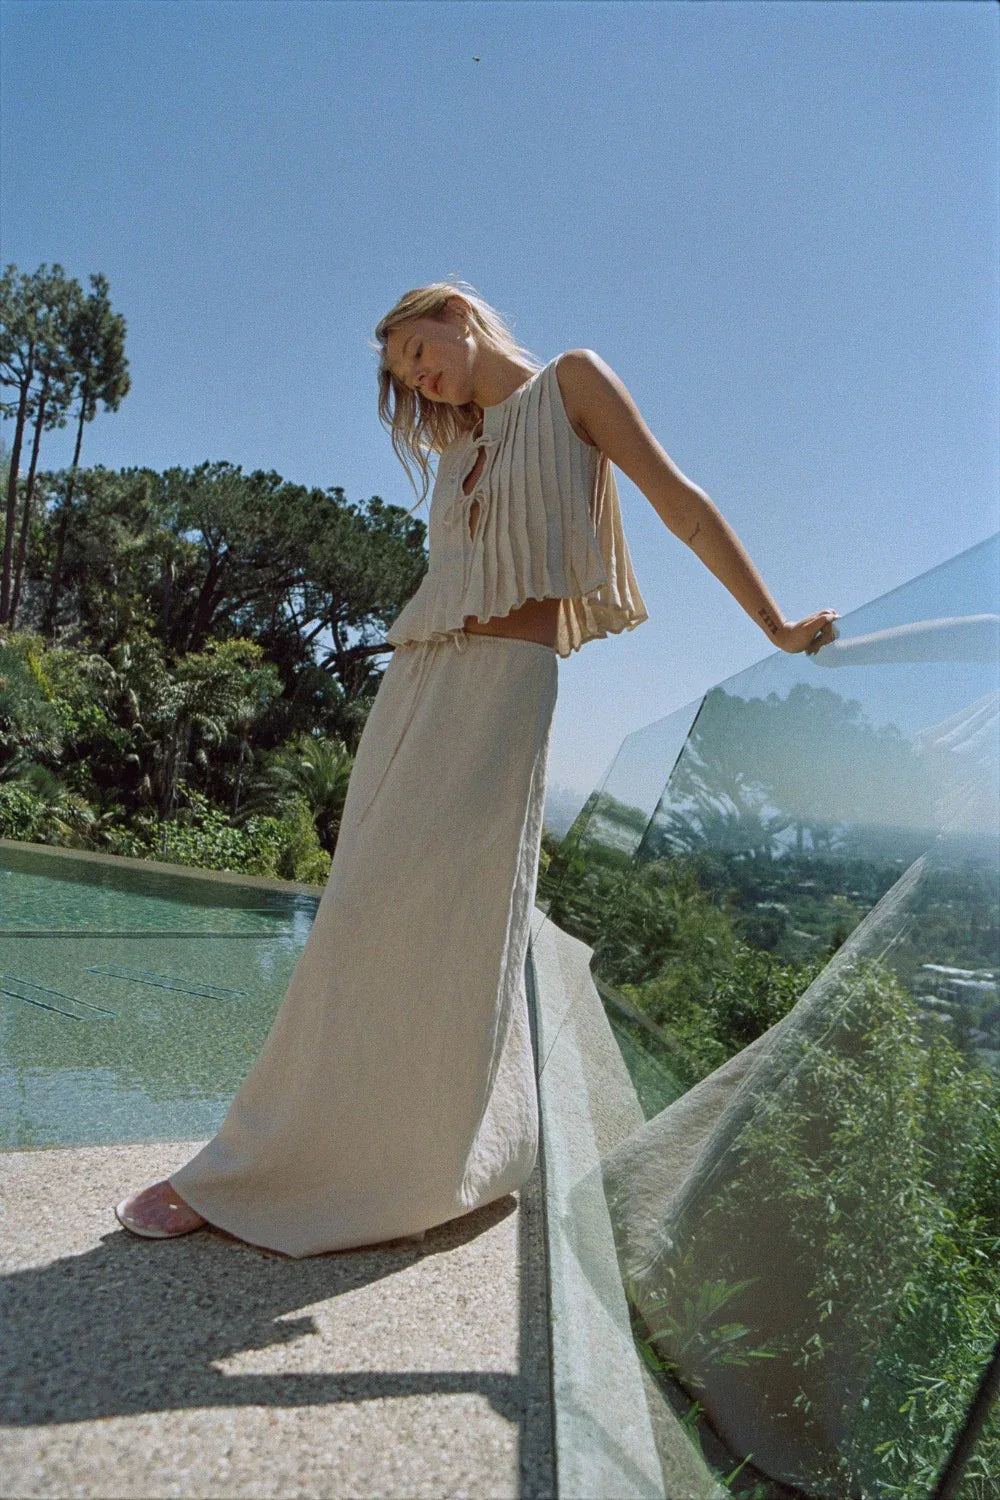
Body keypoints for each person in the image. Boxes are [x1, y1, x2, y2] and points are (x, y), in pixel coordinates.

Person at [115, 280, 839, 1254]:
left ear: (456, 312)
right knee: (361, 906)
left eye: (417, 351)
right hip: (419, 679)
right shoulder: (462, 446)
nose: (417, 378)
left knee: (444, 913)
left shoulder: (572, 384)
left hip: (501, 686)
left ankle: (352, 1167)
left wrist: (776, 625)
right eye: (402, 374)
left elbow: (682, 505)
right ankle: (316, 1150)